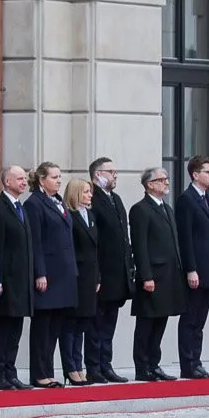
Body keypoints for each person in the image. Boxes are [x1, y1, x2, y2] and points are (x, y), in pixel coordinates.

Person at [129, 167, 186, 382]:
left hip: (169, 275)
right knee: (146, 323)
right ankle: (142, 366)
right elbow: (140, 246)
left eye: (166, 178)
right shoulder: (140, 209)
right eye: (161, 179)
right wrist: (146, 276)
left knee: (161, 320)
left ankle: (154, 363)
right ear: (149, 184)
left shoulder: (167, 209)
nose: (166, 182)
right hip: (153, 275)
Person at [25, 161, 77, 389]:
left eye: (59, 176)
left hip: (63, 273)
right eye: (54, 177)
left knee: (55, 327)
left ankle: (49, 370)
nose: (58, 180)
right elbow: (35, 242)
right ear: (41, 180)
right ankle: (39, 373)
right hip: (48, 275)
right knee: (42, 328)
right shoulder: (34, 204)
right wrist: (40, 273)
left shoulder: (57, 202)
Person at [0, 165, 35, 390]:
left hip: (22, 279)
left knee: (16, 327)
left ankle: (10, 371)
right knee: (3, 326)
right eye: (19, 179)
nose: (24, 182)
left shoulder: (19, 207)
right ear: (7, 182)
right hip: (7, 279)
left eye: (25, 179)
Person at [174, 155, 209, 379]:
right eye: (208, 172)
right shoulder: (187, 199)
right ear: (195, 175)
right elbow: (185, 238)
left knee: (200, 320)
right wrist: (190, 269)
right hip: (196, 270)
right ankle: (188, 364)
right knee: (191, 318)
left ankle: (197, 360)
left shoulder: (207, 198)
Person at [86, 158, 132, 383]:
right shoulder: (92, 198)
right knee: (96, 323)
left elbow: (123, 236)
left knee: (109, 323)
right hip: (101, 273)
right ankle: (93, 366)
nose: (115, 175)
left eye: (115, 171)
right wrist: (97, 275)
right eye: (111, 171)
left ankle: (106, 364)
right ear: (97, 174)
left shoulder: (116, 199)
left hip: (118, 273)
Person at [63, 177, 100, 386]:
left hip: (89, 277)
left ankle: (79, 364)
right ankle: (70, 367)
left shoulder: (90, 215)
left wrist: (98, 277)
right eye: (86, 192)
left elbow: (96, 249)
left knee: (83, 324)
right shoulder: (70, 216)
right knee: (70, 324)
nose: (89, 195)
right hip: (75, 276)